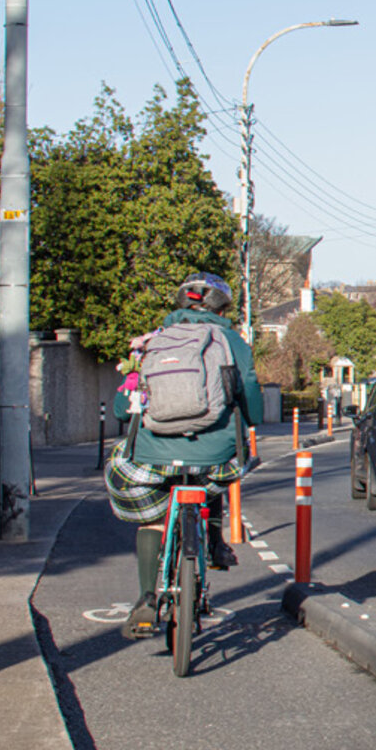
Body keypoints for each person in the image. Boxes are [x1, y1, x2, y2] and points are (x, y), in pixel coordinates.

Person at [107, 273, 262, 638]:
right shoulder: (232, 341)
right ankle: (214, 543)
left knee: (152, 518)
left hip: (152, 451)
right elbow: (250, 389)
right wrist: (251, 420)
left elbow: (120, 406)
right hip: (216, 452)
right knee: (214, 482)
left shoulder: (151, 342)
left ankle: (147, 596)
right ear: (222, 307)